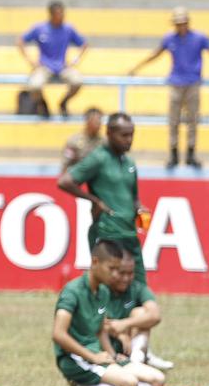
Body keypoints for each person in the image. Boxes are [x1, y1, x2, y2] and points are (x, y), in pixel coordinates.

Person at [128, 7, 209, 169]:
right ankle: (173, 154)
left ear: (187, 23)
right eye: (178, 23)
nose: (180, 26)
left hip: (193, 83)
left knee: (193, 121)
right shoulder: (169, 39)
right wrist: (137, 67)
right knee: (173, 121)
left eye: (182, 23)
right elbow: (155, 54)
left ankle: (191, 154)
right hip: (176, 83)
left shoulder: (199, 38)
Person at [52, 239, 165, 386]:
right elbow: (58, 334)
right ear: (95, 262)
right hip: (76, 359)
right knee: (130, 384)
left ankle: (105, 382)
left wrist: (112, 355)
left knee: (158, 380)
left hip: (99, 355)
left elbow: (100, 330)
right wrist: (93, 357)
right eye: (111, 268)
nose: (115, 275)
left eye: (116, 269)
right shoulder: (72, 291)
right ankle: (80, 385)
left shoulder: (103, 291)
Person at [58, 112, 149, 283]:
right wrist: (95, 200)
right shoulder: (98, 158)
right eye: (124, 135)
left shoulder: (130, 163)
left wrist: (139, 208)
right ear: (109, 133)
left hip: (129, 234)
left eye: (131, 134)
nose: (129, 139)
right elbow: (65, 181)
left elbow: (134, 197)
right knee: (108, 290)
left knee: (139, 290)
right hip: (107, 233)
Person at [17, 0, 88, 118]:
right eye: (59, 13)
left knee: (77, 81)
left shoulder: (68, 29)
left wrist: (75, 60)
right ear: (51, 14)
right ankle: (42, 103)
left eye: (62, 13)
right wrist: (30, 61)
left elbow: (84, 44)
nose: (61, 16)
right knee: (34, 85)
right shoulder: (40, 28)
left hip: (62, 66)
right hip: (45, 66)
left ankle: (64, 102)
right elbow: (20, 40)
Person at [106, 255, 173, 371]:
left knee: (141, 312)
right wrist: (120, 335)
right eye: (122, 273)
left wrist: (125, 324)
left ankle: (137, 359)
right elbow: (94, 322)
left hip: (128, 345)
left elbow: (155, 315)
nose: (126, 278)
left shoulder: (136, 287)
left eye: (130, 273)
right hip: (104, 345)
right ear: (111, 270)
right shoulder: (100, 289)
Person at [60, 107, 103, 171]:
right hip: (78, 177)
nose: (99, 123)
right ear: (88, 121)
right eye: (96, 120)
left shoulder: (104, 142)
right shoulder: (74, 141)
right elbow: (66, 164)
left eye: (100, 120)